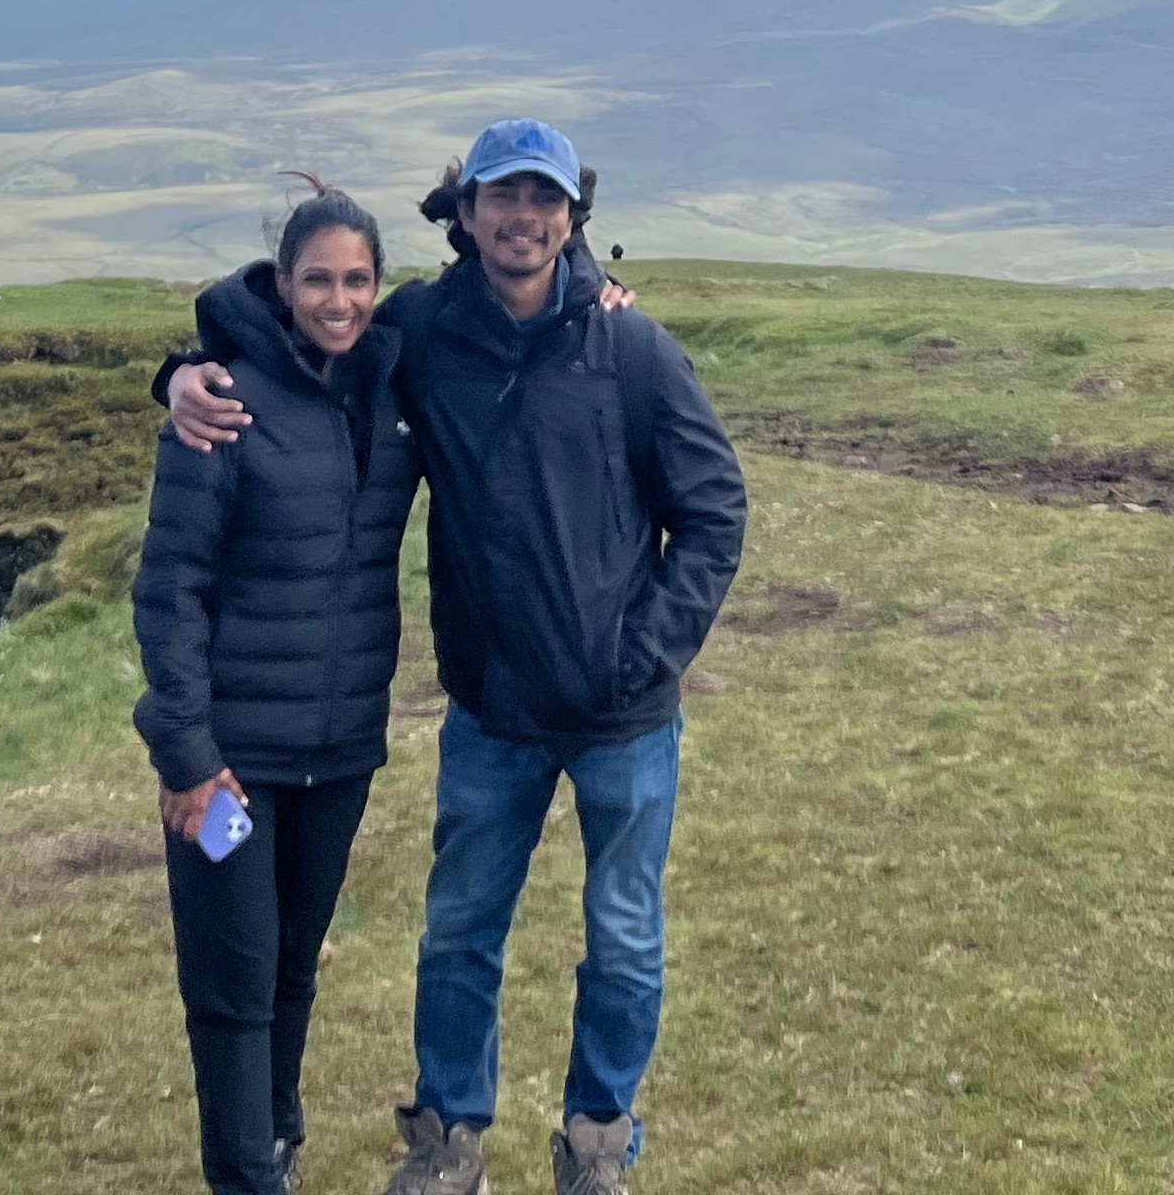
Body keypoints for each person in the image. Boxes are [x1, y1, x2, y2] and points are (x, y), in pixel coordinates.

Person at [167, 119, 747, 1195]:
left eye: (545, 198)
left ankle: (596, 1140)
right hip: (491, 710)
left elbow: (715, 512)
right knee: (460, 932)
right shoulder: (421, 334)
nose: (523, 217)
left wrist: (647, 650)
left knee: (623, 936)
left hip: (625, 718)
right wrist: (181, 375)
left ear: (573, 215)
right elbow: (300, 344)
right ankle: (448, 1141)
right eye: (500, 197)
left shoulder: (632, 349)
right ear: (466, 214)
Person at [135, 183, 422, 1195]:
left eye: (356, 280)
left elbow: (498, 300)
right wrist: (188, 758)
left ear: (378, 288)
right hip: (230, 768)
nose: (338, 301)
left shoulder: (390, 389)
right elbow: (169, 590)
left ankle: (279, 1137)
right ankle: (245, 1177)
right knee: (233, 979)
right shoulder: (221, 404)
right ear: (283, 283)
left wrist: (592, 285)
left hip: (338, 755)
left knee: (295, 959)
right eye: (318, 280)